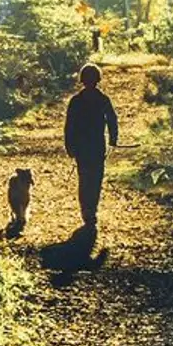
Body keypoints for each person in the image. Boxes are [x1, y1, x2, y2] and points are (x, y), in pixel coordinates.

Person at [62, 63, 119, 229]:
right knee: (95, 179)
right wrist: (113, 139)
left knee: (84, 178)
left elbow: (69, 125)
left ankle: (86, 209)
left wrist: (69, 145)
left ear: (82, 79)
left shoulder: (76, 101)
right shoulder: (103, 99)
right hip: (97, 145)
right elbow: (112, 120)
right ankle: (91, 209)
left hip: (82, 147)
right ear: (98, 79)